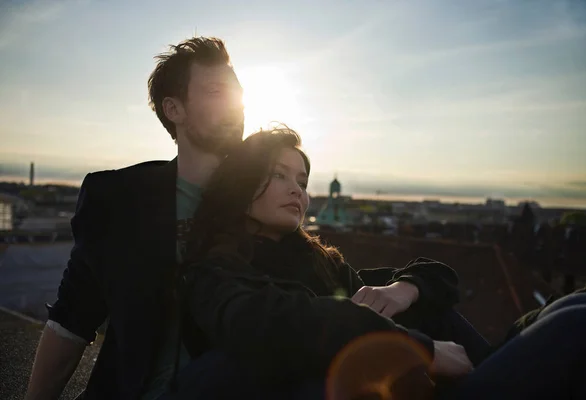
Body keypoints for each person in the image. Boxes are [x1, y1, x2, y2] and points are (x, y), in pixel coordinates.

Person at [24, 38, 459, 400]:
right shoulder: (120, 199)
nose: (234, 105)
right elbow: (72, 319)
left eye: (237, 93)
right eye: (215, 92)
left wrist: (410, 286)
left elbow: (337, 286)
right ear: (174, 109)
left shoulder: (264, 202)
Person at [178, 127, 586, 400]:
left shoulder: (321, 264)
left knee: (577, 307)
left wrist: (405, 288)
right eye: (279, 175)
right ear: (241, 184)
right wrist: (421, 348)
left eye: (303, 182)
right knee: (581, 326)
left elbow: (438, 278)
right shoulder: (216, 273)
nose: (297, 192)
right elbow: (279, 321)